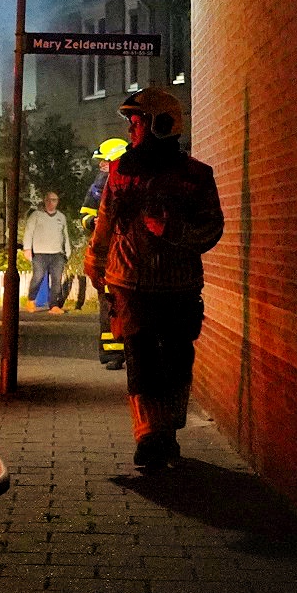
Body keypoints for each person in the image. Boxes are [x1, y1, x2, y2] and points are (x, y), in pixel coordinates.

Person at [84, 88, 223, 472]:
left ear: (161, 124)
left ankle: (167, 431)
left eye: (138, 122)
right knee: (140, 360)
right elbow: (107, 219)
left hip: (178, 286)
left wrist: (174, 230)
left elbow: (212, 227)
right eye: (132, 122)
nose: (132, 130)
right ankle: (149, 436)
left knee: (178, 359)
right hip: (129, 284)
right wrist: (95, 260)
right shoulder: (120, 172)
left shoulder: (195, 176)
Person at [84, 138, 129, 367]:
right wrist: (94, 222)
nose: (101, 166)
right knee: (108, 304)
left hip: (124, 253)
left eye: (104, 161)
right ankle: (112, 353)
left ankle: (125, 352)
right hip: (107, 254)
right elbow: (85, 215)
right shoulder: (99, 185)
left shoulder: (129, 180)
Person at [22, 191, 71, 312]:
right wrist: (27, 248)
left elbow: (65, 235)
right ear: (45, 201)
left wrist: (67, 251)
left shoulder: (61, 217)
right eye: (49, 200)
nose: (51, 203)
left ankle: (53, 305)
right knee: (38, 277)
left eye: (54, 200)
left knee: (56, 280)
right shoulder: (36, 215)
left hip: (57, 254)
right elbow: (29, 232)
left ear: (57, 202)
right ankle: (31, 300)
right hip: (40, 253)